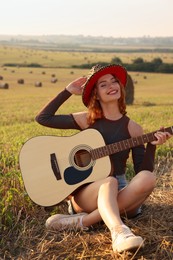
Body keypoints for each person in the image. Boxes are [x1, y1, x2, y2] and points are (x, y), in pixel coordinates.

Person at [35, 64, 171, 253]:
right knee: (109, 181)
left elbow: (142, 171)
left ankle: (84, 221)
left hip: (122, 190)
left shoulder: (134, 128)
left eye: (114, 81)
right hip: (88, 193)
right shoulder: (86, 120)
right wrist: (67, 91)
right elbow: (43, 118)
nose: (111, 86)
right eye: (103, 84)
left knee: (148, 178)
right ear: (96, 94)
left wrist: (152, 146)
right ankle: (119, 232)